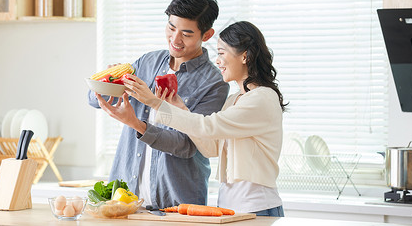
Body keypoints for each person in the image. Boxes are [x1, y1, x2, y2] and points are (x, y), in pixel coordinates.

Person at [96, 21, 287, 216]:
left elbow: (208, 127)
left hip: (258, 207)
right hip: (231, 207)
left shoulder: (262, 98)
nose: (218, 61)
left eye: (222, 53)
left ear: (244, 56)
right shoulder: (234, 100)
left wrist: (154, 102)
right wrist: (182, 109)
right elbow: (210, 147)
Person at [88, 0, 230, 209]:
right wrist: (107, 82)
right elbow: (92, 99)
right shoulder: (147, 62)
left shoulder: (214, 83)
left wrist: (135, 124)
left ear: (207, 35)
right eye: (171, 27)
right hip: (125, 200)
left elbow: (187, 146)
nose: (175, 40)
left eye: (187, 33)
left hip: (178, 203)